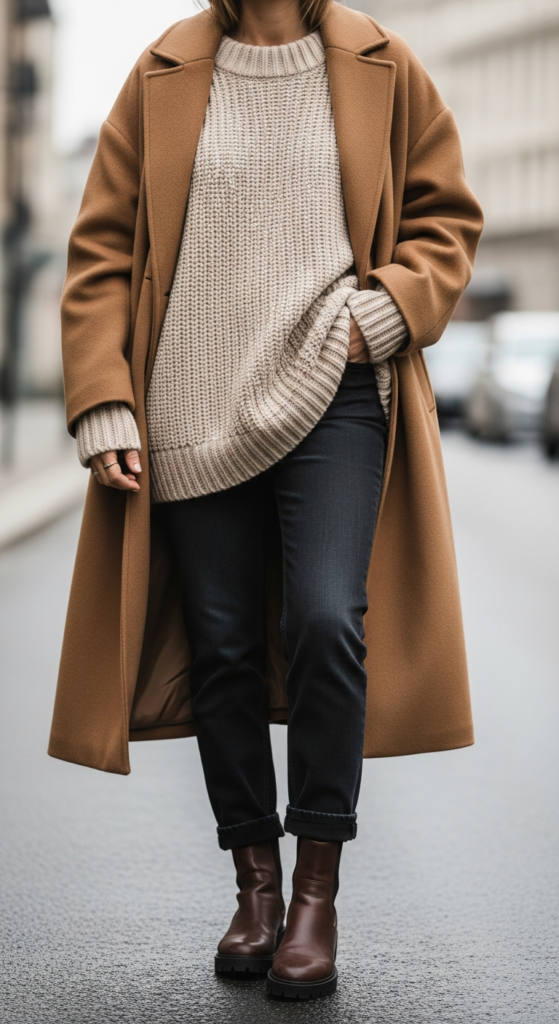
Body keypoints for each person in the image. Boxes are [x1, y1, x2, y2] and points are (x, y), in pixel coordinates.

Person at [48, 0, 483, 1001]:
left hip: (335, 389)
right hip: (193, 400)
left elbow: (444, 214)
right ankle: (255, 883)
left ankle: (315, 895)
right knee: (224, 648)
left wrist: (394, 302)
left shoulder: (383, 60)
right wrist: (104, 399)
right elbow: (101, 249)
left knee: (328, 615)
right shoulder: (163, 67)